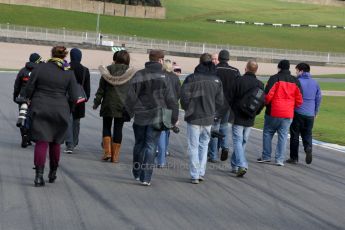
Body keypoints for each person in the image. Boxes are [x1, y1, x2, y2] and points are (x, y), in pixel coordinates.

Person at [25, 46, 79, 187]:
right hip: (60, 110)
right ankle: (53, 172)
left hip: (40, 106)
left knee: (41, 142)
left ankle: (38, 176)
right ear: (64, 56)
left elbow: (29, 87)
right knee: (56, 142)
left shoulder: (40, 68)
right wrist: (69, 109)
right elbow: (74, 96)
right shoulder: (68, 72)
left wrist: (27, 99)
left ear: (52, 54)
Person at [125, 50, 179, 186]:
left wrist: (128, 112)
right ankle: (146, 177)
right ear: (160, 60)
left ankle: (137, 172)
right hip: (157, 116)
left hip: (141, 115)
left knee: (139, 144)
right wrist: (174, 118)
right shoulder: (164, 77)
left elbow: (130, 96)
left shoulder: (140, 74)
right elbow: (171, 100)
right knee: (150, 145)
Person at [181, 53, 223, 184]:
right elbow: (220, 101)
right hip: (207, 118)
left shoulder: (191, 78)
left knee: (195, 146)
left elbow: (184, 98)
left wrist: (188, 109)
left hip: (194, 117)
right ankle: (200, 172)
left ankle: (196, 173)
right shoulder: (216, 80)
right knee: (203, 146)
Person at [257, 60, 303, 166]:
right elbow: (300, 100)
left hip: (274, 111)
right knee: (283, 136)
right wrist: (291, 107)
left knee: (268, 132)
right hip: (288, 113)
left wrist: (267, 105)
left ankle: (266, 156)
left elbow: (268, 96)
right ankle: (279, 159)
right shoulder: (295, 80)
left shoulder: (274, 78)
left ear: (279, 67)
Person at [93, 50, 137, 163]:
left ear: (116, 58)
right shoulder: (131, 73)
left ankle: (107, 153)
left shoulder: (107, 70)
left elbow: (101, 90)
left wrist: (96, 102)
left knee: (106, 127)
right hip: (123, 105)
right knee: (118, 128)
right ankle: (115, 157)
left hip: (108, 103)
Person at [230, 60, 264, 177]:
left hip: (238, 116)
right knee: (243, 141)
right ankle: (235, 165)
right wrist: (256, 112)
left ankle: (242, 164)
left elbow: (230, 98)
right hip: (250, 117)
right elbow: (261, 102)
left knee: (238, 141)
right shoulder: (260, 84)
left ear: (246, 68)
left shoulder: (238, 81)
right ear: (256, 70)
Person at [208, 49, 241, 163]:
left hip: (215, 104)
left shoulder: (214, 70)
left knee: (214, 129)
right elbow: (238, 88)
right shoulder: (235, 71)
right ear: (228, 59)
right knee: (224, 127)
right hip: (228, 104)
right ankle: (225, 147)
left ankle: (213, 155)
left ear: (219, 58)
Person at [287, 63, 322, 165]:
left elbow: (292, 96)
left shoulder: (297, 81)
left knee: (294, 135)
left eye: (297, 70)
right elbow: (318, 98)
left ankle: (294, 158)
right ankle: (308, 147)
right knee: (307, 133)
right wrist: (316, 111)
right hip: (310, 113)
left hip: (298, 111)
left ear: (301, 71)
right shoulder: (315, 83)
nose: (296, 72)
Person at [13, 53, 43, 148]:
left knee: (23, 116)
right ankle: (30, 136)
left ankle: (24, 136)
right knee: (33, 118)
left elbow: (17, 85)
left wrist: (15, 96)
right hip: (35, 98)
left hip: (23, 97)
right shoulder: (39, 71)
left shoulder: (23, 71)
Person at [64, 48, 91, 154]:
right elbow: (87, 88)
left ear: (71, 56)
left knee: (68, 120)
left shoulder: (66, 68)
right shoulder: (85, 70)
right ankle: (74, 142)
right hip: (80, 98)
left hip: (67, 97)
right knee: (76, 121)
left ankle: (69, 144)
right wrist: (86, 97)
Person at [155, 59, 181, 167]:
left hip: (161, 106)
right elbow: (179, 93)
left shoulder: (159, 76)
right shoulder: (175, 78)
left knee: (161, 132)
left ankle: (160, 159)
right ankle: (163, 154)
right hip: (172, 106)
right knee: (166, 131)